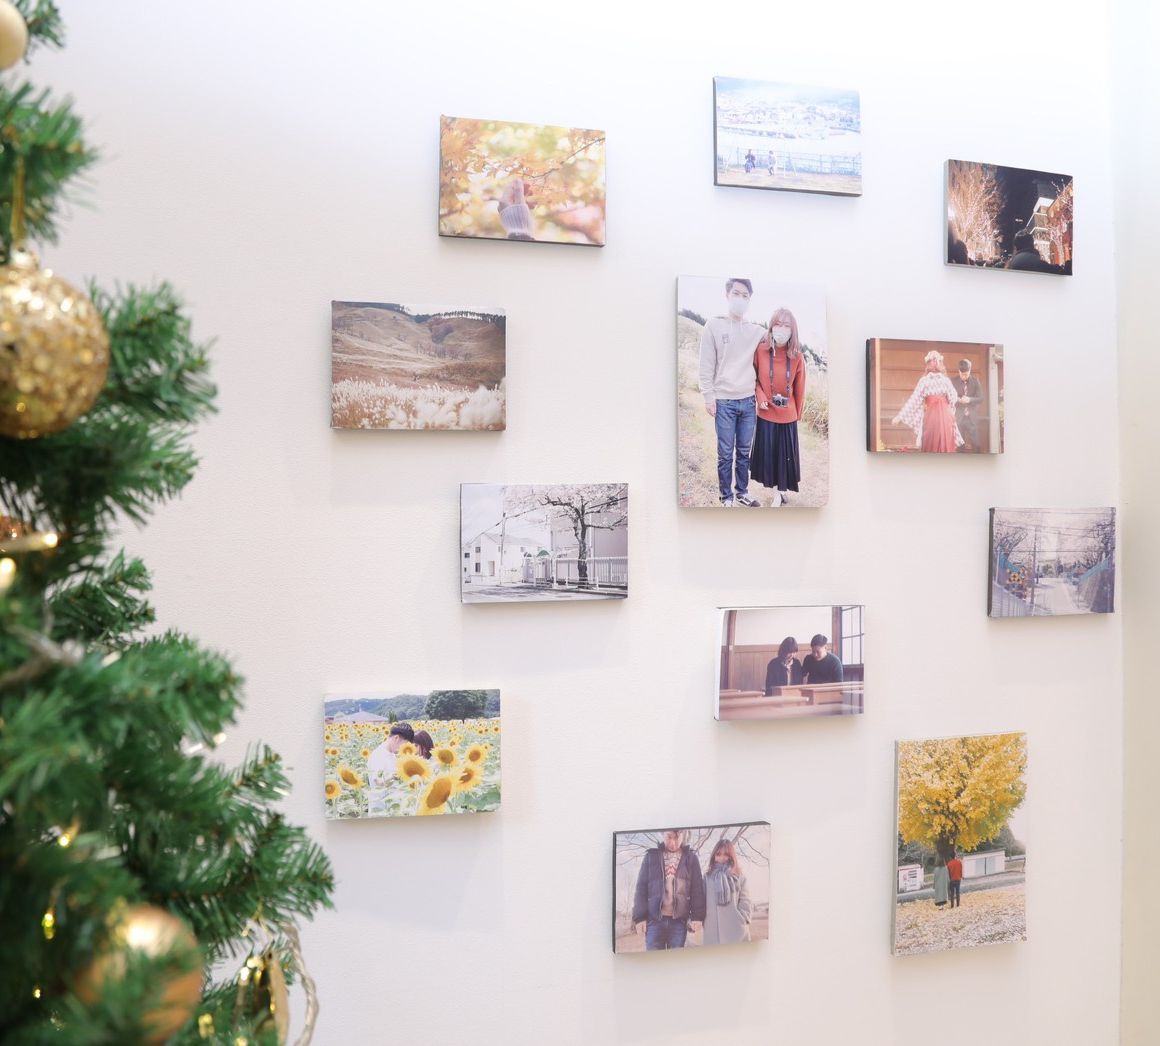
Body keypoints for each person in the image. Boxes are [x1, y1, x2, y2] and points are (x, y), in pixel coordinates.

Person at [698, 279, 765, 507]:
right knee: (725, 454)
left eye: (745, 296)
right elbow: (706, 365)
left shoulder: (755, 331)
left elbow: (777, 337)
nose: (740, 299)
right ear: (727, 295)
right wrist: (708, 396)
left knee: (744, 452)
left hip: (748, 402)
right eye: (736, 293)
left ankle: (742, 492)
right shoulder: (713, 326)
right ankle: (726, 497)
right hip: (724, 401)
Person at [751, 307, 806, 507]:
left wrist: (797, 414)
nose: (781, 329)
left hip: (787, 416)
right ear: (771, 326)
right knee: (770, 457)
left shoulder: (797, 356)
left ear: (793, 330)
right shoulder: (761, 350)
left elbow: (800, 389)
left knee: (784, 458)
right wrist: (760, 396)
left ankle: (780, 493)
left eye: (786, 325)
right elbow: (753, 378)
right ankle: (777, 493)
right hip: (766, 413)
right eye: (778, 324)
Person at [632, 829, 706, 950]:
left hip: (679, 922)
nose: (672, 842)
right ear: (663, 834)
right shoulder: (651, 857)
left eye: (676, 838)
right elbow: (641, 888)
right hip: (654, 921)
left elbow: (697, 889)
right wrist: (640, 918)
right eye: (669, 837)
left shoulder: (691, 858)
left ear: (683, 835)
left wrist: (697, 917)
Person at [891, 349, 963, 453]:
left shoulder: (926, 381)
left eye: (935, 361)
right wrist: (947, 405)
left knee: (932, 443)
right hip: (943, 416)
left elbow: (914, 400)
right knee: (940, 442)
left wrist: (899, 417)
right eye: (934, 361)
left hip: (935, 416)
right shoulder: (944, 380)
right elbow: (953, 397)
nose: (935, 363)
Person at [702, 838, 753, 946]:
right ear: (714, 856)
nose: (722, 858)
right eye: (718, 854)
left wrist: (743, 919)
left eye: (726, 854)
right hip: (712, 931)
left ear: (731, 856)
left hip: (737, 930)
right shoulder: (707, 877)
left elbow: (746, 902)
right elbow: (700, 901)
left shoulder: (739, 877)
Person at [365, 723, 415, 813]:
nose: (402, 749)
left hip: (391, 808)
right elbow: (378, 781)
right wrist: (394, 775)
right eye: (403, 745)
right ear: (396, 738)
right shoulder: (378, 754)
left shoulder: (391, 754)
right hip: (381, 809)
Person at [952, 359, 983, 452]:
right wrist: (958, 400)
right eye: (962, 374)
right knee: (960, 447)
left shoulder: (975, 381)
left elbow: (981, 398)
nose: (964, 376)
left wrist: (970, 400)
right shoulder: (953, 381)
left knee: (977, 445)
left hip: (971, 418)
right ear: (959, 371)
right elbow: (949, 397)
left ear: (970, 370)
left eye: (966, 374)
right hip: (958, 418)